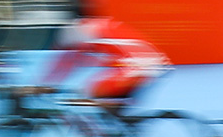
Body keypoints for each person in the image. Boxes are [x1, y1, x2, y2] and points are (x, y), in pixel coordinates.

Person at [40, 7, 171, 117]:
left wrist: (44, 86)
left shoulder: (79, 30)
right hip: (150, 64)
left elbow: (66, 64)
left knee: (93, 93)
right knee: (107, 106)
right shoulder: (97, 25)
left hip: (138, 66)